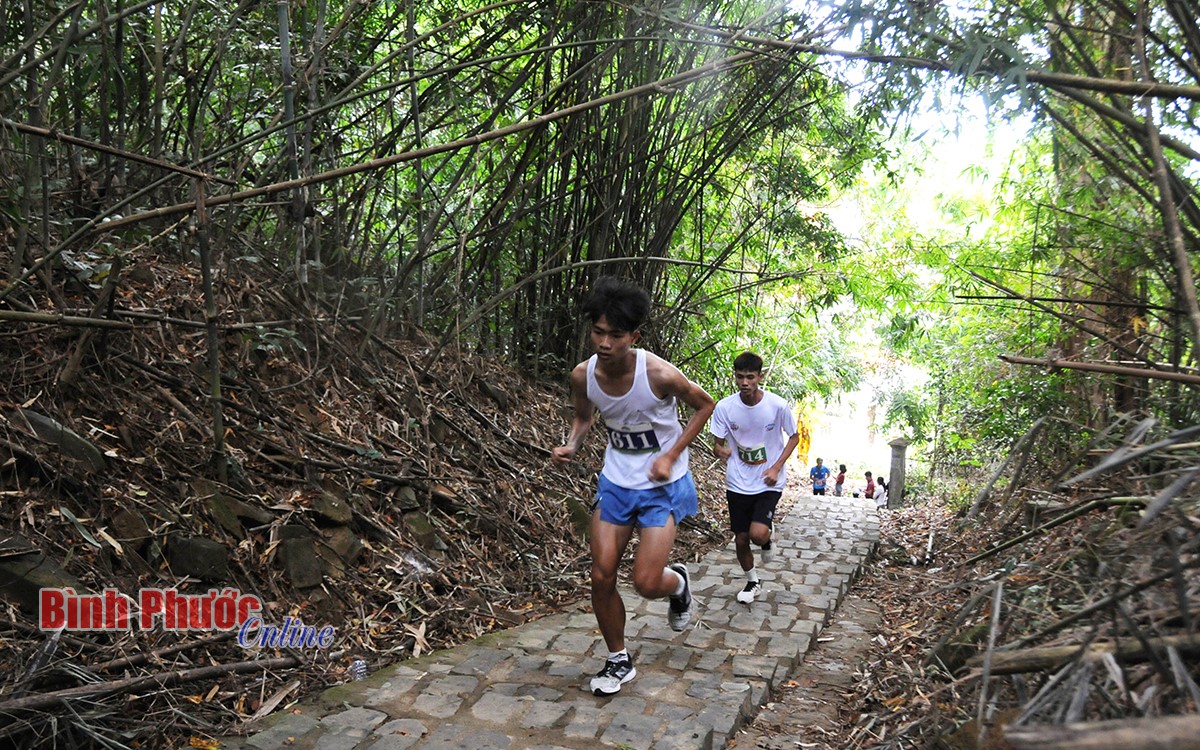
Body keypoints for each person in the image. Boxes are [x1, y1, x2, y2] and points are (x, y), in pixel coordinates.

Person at [551, 276, 715, 697]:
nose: (605, 343)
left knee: (645, 582)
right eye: (598, 332)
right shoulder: (583, 375)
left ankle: (677, 584)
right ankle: (618, 658)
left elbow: (704, 405)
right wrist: (572, 444)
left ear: (634, 336)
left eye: (616, 335)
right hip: (617, 482)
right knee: (602, 575)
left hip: (662, 486)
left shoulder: (658, 373)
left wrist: (671, 453)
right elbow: (584, 417)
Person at [710, 351, 800, 604]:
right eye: (740, 377)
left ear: (760, 377)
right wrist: (721, 451)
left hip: (767, 480)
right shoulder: (725, 408)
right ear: (735, 377)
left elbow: (794, 437)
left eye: (750, 377)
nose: (745, 383)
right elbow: (716, 443)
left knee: (757, 534)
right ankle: (752, 581)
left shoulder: (777, 406)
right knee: (740, 538)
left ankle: (767, 539)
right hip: (737, 481)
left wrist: (776, 467)